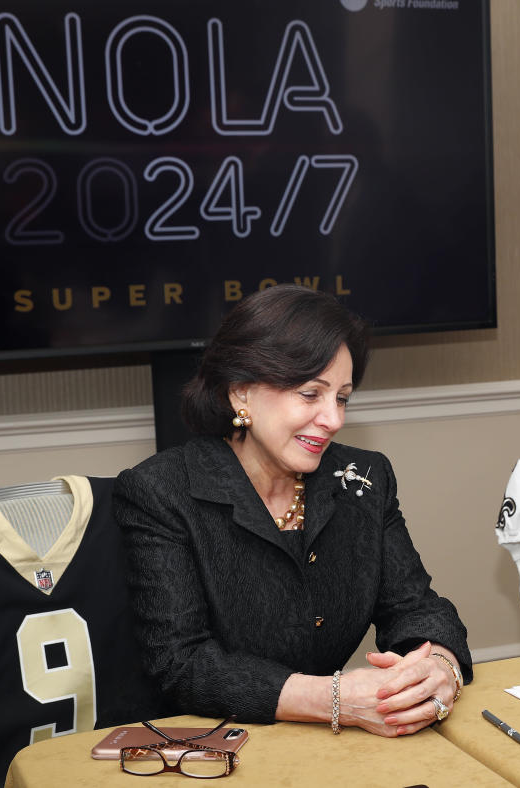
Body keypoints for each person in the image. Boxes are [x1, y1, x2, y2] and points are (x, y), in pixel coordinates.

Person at [113, 284, 471, 737]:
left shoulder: (364, 479)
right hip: (203, 748)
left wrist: (440, 664)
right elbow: (182, 664)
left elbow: (415, 608)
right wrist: (335, 699)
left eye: (341, 397)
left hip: (324, 747)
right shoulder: (160, 492)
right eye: (310, 394)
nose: (334, 419)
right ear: (240, 392)